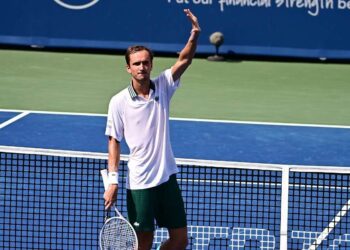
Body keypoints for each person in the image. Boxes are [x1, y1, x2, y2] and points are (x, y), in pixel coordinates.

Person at [104, 9, 200, 250]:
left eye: (146, 62)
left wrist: (194, 34)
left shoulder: (164, 86)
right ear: (128, 68)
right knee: (143, 243)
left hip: (167, 178)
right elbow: (114, 140)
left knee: (180, 239)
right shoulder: (118, 102)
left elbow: (185, 60)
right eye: (136, 63)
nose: (142, 67)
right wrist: (113, 180)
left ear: (151, 64)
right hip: (140, 184)